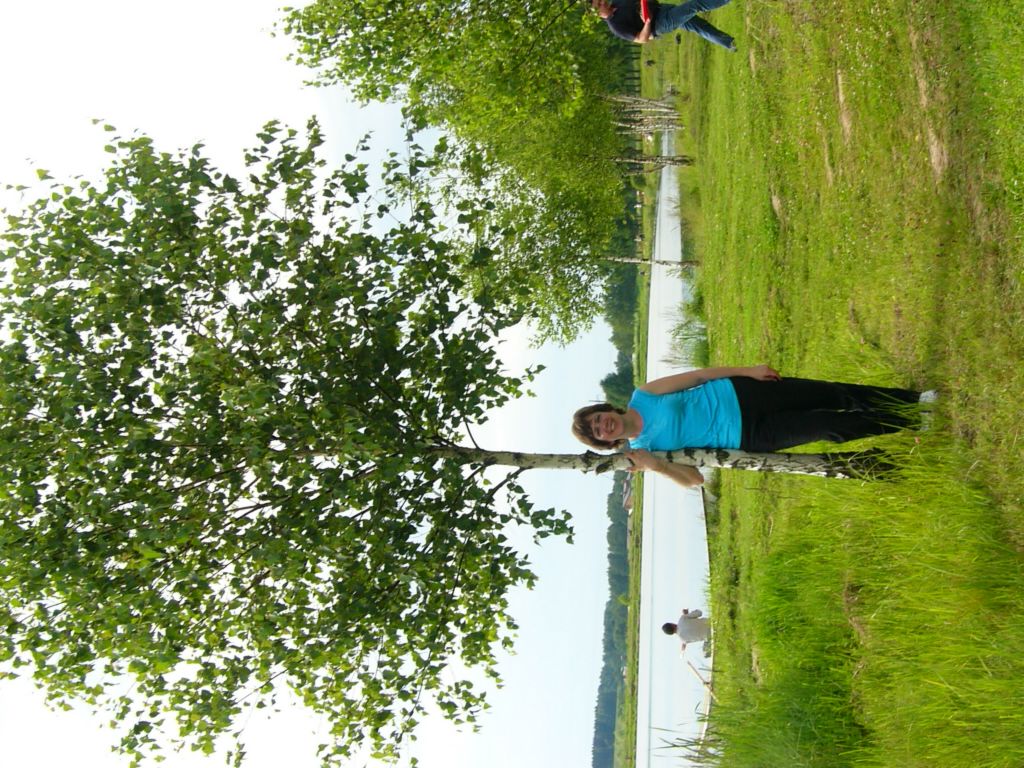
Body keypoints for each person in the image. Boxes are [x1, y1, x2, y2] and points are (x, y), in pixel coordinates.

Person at [571, 365, 934, 488]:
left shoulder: (645, 395)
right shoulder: (645, 453)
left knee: (832, 393)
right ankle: (910, 420)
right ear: (606, 443)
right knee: (829, 427)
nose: (603, 426)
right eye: (598, 432)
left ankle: (914, 400)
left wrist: (748, 371)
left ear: (604, 409)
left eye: (598, 419)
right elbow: (695, 479)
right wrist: (656, 466)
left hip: (742, 393)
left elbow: (698, 376)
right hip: (748, 436)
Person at [592, 0, 737, 50]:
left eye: (600, 0)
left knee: (696, 24)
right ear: (597, 14)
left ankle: (729, 43)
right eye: (599, 4)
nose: (603, 2)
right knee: (694, 6)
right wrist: (647, 22)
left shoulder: (617, 2)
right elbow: (642, 39)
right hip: (660, 24)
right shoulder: (616, 26)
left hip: (662, 8)